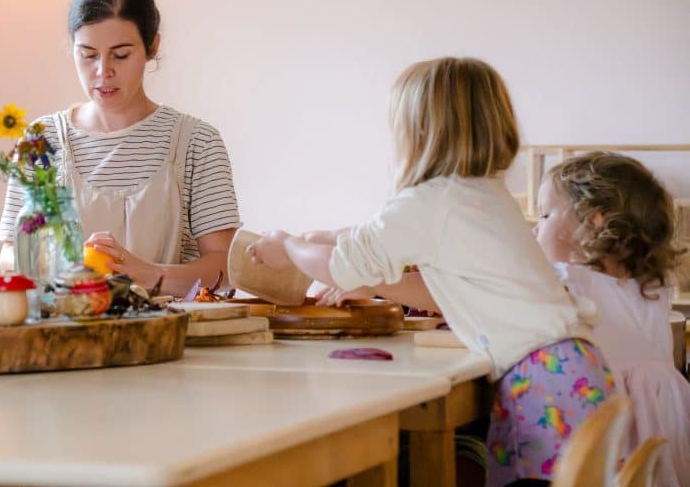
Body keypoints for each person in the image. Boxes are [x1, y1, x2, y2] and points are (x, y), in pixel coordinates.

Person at [249, 57, 613, 486]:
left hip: (544, 380)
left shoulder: (433, 202)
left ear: (420, 134)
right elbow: (447, 290)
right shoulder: (483, 196)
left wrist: (287, 247)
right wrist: (335, 242)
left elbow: (341, 266)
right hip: (571, 367)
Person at [0, 0, 240, 296]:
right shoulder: (43, 141)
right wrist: (60, 264)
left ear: (152, 46)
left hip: (172, 337)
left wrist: (148, 273)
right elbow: (9, 255)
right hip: (63, 333)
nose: (103, 71)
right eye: (88, 54)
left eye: (121, 54)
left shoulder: (196, 142)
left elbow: (225, 267)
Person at [536, 152, 689, 487]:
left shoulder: (568, 280)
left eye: (545, 214)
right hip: (666, 413)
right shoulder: (653, 283)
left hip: (612, 413)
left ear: (594, 221)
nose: (537, 226)